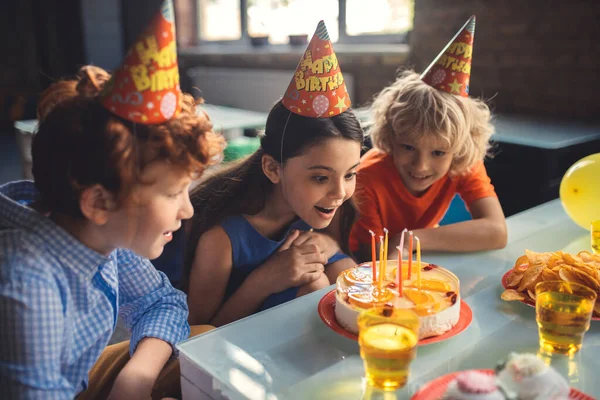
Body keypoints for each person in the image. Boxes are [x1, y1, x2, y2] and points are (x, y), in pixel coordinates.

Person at [0, 2, 225, 398]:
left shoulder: (99, 229)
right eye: (173, 193)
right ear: (98, 202)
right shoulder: (28, 283)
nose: (187, 210)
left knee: (203, 342)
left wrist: (135, 380)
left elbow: (162, 300)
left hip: (73, 378)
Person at [183, 21, 363, 327]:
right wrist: (263, 281)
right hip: (234, 351)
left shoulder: (321, 206)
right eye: (320, 177)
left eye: (350, 174)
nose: (340, 192)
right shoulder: (222, 238)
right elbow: (197, 333)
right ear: (272, 168)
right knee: (314, 286)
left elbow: (341, 268)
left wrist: (333, 250)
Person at [350, 16, 507, 261]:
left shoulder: (462, 160)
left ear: (460, 148)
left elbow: (497, 232)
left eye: (438, 153)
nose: (420, 165)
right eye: (409, 147)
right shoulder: (365, 178)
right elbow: (372, 259)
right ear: (391, 137)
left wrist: (410, 238)